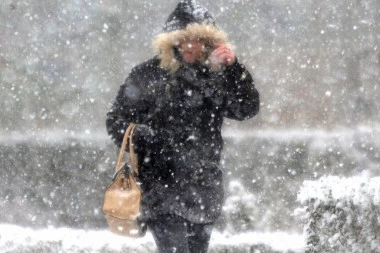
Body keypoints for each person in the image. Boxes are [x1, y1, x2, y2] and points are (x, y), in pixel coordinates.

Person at [106, 0, 260, 252]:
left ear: (210, 43)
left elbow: (246, 109)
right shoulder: (148, 74)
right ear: (171, 41)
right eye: (184, 38)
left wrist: (234, 69)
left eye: (199, 39)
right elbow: (115, 119)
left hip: (204, 188)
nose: (191, 45)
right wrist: (144, 138)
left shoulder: (216, 76)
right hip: (161, 187)